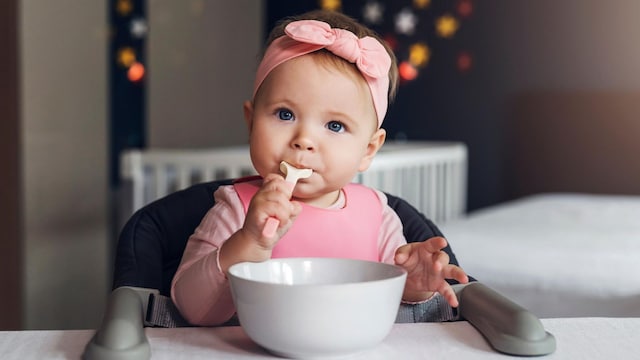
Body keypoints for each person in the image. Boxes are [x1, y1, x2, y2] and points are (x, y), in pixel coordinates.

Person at [171, 9, 469, 326]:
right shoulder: (237, 208)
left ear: (368, 150)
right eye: (285, 115)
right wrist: (248, 242)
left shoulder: (377, 215)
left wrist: (414, 286)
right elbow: (190, 309)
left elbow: (390, 303)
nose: (304, 140)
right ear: (251, 123)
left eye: (335, 126)